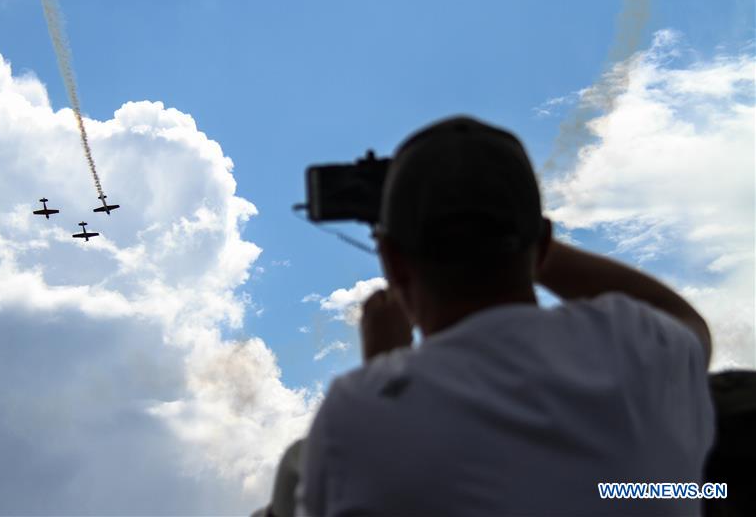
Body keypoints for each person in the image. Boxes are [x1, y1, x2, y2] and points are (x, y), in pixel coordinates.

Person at [298, 116, 715, 516]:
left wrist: (384, 365)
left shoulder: (353, 414)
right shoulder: (637, 350)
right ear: (544, 244)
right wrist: (521, 237)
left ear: (392, 259)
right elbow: (683, 318)